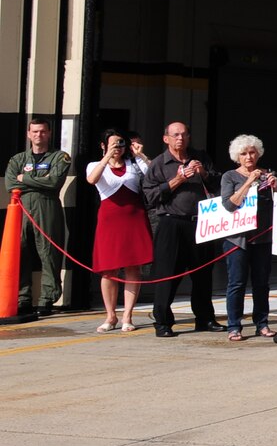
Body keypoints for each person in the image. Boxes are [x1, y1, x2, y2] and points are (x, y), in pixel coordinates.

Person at [140, 121, 218, 336]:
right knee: (168, 275)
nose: (180, 139)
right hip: (171, 223)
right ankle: (163, 323)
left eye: (184, 135)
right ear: (166, 139)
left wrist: (203, 173)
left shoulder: (200, 157)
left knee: (203, 273)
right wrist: (177, 179)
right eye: (175, 135)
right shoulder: (158, 164)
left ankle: (205, 318)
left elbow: (217, 185)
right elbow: (150, 196)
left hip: (200, 223)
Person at [85, 131, 150, 332]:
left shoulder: (134, 165)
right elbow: (92, 179)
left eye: (121, 144)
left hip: (134, 218)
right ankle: (110, 315)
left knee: (133, 268)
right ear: (103, 145)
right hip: (109, 220)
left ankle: (127, 316)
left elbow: (154, 174)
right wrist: (107, 156)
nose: (118, 148)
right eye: (113, 144)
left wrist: (140, 155)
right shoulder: (95, 164)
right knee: (108, 269)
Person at [218, 135, 277, 339]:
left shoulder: (267, 173)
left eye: (252, 152)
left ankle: (262, 323)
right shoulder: (229, 176)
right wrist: (249, 182)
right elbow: (229, 204)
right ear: (237, 156)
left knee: (262, 283)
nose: (248, 157)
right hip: (237, 239)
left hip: (262, 237)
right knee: (236, 283)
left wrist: (275, 187)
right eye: (244, 153)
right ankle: (234, 325)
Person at [7, 116, 71, 314]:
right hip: (23, 208)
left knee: (48, 252)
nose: (38, 135)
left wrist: (24, 178)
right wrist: (38, 180)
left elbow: (54, 183)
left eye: (42, 131)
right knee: (21, 251)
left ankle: (47, 298)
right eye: (35, 131)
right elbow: (10, 184)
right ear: (28, 134)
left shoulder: (60, 157)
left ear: (49, 133)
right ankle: (22, 297)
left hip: (47, 207)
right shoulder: (18, 159)